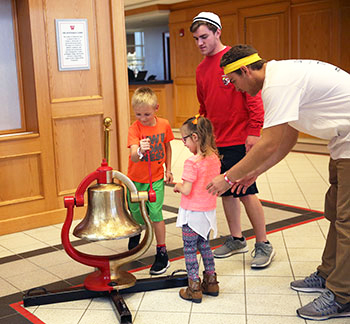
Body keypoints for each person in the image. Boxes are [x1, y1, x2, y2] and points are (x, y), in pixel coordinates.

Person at [207, 44, 350, 320]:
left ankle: (342, 296)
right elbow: (288, 137)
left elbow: (269, 141)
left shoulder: (277, 84)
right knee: (336, 213)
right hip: (342, 142)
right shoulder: (279, 76)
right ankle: (329, 273)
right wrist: (256, 172)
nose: (235, 88)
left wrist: (228, 178)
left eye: (233, 80)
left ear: (245, 70)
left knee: (347, 220)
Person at [190, 12, 275, 268]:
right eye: (195, 39)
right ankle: (237, 239)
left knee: (246, 191)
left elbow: (253, 97)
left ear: (218, 32)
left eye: (204, 36)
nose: (200, 43)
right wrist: (203, 137)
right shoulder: (200, 69)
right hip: (217, 140)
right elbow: (203, 106)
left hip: (241, 138)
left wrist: (254, 131)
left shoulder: (235, 61)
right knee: (225, 191)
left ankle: (263, 243)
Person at [174, 114, 221, 303]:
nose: (183, 143)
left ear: (194, 137)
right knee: (205, 247)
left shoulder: (191, 162)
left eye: (184, 139)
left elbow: (186, 188)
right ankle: (211, 282)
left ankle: (193, 286)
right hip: (207, 212)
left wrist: (177, 186)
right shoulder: (215, 159)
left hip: (191, 214)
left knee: (190, 250)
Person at [127, 87, 174, 275]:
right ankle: (137, 230)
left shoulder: (164, 124)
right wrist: (140, 150)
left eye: (146, 114)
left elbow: (168, 147)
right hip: (135, 179)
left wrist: (168, 169)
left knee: (155, 213)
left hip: (156, 177)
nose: (142, 118)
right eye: (138, 114)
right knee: (136, 212)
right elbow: (133, 156)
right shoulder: (134, 128)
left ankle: (162, 251)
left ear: (156, 108)